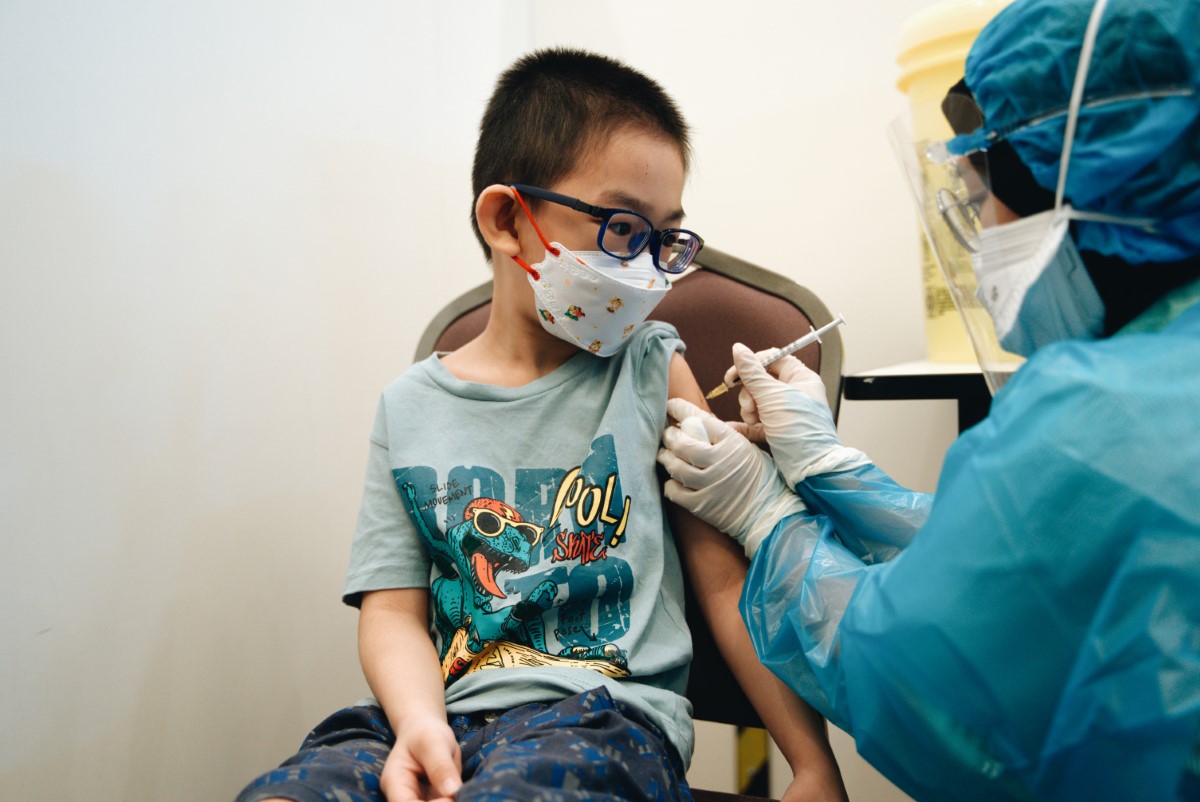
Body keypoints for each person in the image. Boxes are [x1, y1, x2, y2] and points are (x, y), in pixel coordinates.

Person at [236, 48, 847, 802]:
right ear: (505, 220)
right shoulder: (409, 406)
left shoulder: (651, 367)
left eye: (666, 240)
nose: (649, 269)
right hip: (439, 716)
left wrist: (810, 763)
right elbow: (393, 611)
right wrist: (420, 726)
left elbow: (725, 585)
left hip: (605, 721)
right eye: (622, 229)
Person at [656, 0, 1200, 800]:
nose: (979, 225)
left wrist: (768, 521)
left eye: (982, 194)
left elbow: (912, 667)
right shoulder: (1150, 380)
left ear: (1062, 178)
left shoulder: (1099, 415)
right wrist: (829, 466)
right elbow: (1014, 562)